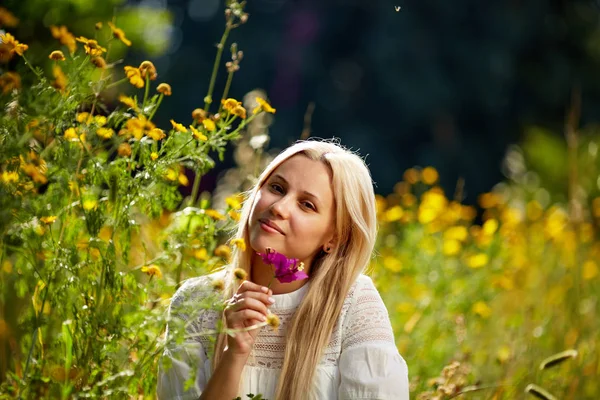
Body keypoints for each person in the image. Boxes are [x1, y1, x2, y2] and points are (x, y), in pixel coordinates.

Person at [157, 139, 410, 400]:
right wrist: (233, 355)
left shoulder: (354, 305)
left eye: (307, 205)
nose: (278, 207)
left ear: (334, 239)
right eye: (276, 188)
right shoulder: (195, 301)